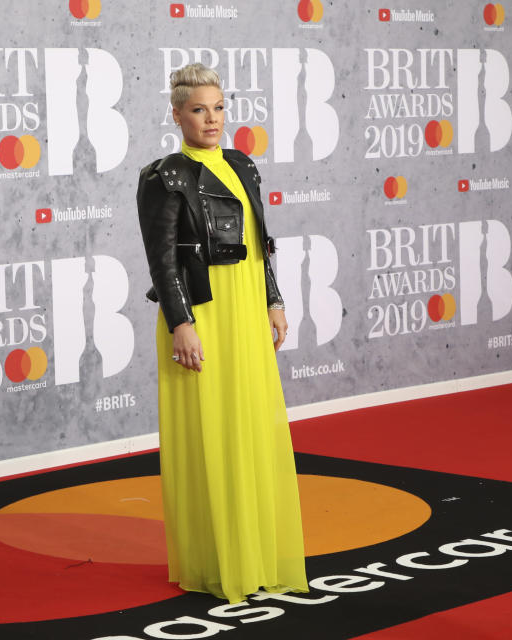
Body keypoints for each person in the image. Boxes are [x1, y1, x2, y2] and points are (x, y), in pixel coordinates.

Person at [136, 63, 308, 604]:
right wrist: (181, 323)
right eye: (198, 110)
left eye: (218, 108)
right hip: (204, 314)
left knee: (250, 424)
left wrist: (273, 299)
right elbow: (162, 261)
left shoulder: (242, 164)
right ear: (177, 114)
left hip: (245, 312)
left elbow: (261, 239)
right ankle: (220, 560)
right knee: (213, 433)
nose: (211, 119)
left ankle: (256, 551)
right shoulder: (163, 177)